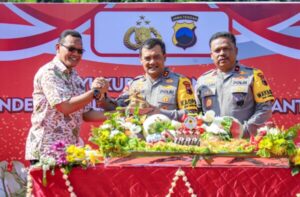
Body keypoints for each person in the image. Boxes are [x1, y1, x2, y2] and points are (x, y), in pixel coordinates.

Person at [25, 30, 109, 164]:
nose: (75, 54)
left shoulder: (75, 77)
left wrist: (118, 115)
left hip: (71, 151)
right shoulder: (49, 73)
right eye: (71, 49)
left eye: (80, 51)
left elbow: (86, 114)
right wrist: (95, 92)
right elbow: (65, 106)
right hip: (47, 151)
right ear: (58, 48)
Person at [195, 31, 274, 137]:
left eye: (226, 49)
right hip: (210, 143)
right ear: (211, 55)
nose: (222, 53)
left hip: (243, 143)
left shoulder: (253, 75)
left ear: (236, 51)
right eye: (217, 50)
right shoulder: (202, 80)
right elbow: (196, 112)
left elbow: (265, 108)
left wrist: (243, 130)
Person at [114, 38, 198, 121]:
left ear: (164, 57)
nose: (152, 62)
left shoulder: (180, 81)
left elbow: (192, 114)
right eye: (147, 58)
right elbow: (117, 108)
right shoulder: (133, 84)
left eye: (156, 57)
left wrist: (159, 112)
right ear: (141, 60)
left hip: (168, 133)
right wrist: (104, 97)